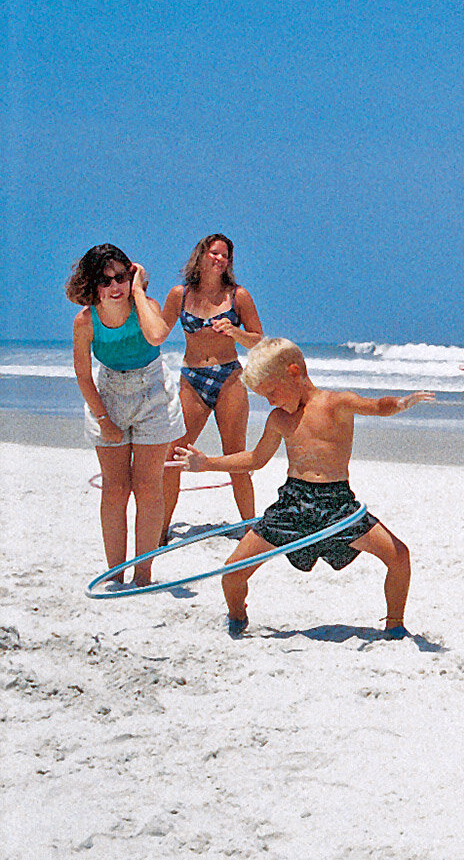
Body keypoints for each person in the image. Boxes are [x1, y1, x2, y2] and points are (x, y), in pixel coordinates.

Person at [169, 337, 432, 638]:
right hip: (292, 504)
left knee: (399, 556)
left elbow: (375, 406)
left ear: (293, 373)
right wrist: (207, 463)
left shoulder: (336, 404)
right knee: (231, 572)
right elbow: (255, 459)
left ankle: (395, 624)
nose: (269, 401)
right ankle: (237, 616)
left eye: (271, 392)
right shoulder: (279, 418)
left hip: (338, 505)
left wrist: (400, 404)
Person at [68, 245, 185, 586]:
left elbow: (157, 334)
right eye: (106, 281)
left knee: (148, 487)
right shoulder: (86, 321)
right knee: (116, 489)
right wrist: (104, 419)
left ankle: (144, 575)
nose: (114, 286)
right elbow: (82, 375)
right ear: (94, 285)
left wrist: (139, 290)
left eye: (121, 277)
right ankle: (114, 573)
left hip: (151, 390)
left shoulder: (144, 306)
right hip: (109, 395)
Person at [159, 233, 264, 531]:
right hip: (192, 379)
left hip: (229, 377)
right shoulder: (179, 294)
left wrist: (235, 332)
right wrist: (137, 299)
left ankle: (250, 529)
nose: (220, 259)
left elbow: (258, 341)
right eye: (214, 253)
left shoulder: (238, 296)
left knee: (236, 457)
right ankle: (161, 531)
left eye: (225, 255)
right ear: (201, 255)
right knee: (174, 456)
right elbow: (158, 332)